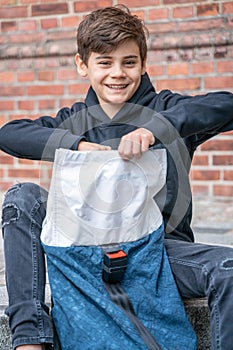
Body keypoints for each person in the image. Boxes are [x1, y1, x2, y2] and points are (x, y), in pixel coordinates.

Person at [0, 5, 233, 350]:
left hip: (163, 253)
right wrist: (75, 145)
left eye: (128, 62)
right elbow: (10, 133)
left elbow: (225, 104)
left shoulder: (166, 110)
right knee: (22, 197)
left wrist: (156, 129)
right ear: (83, 65)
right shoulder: (74, 120)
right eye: (104, 62)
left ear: (142, 63)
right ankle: (31, 340)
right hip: (85, 253)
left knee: (228, 268)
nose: (117, 73)